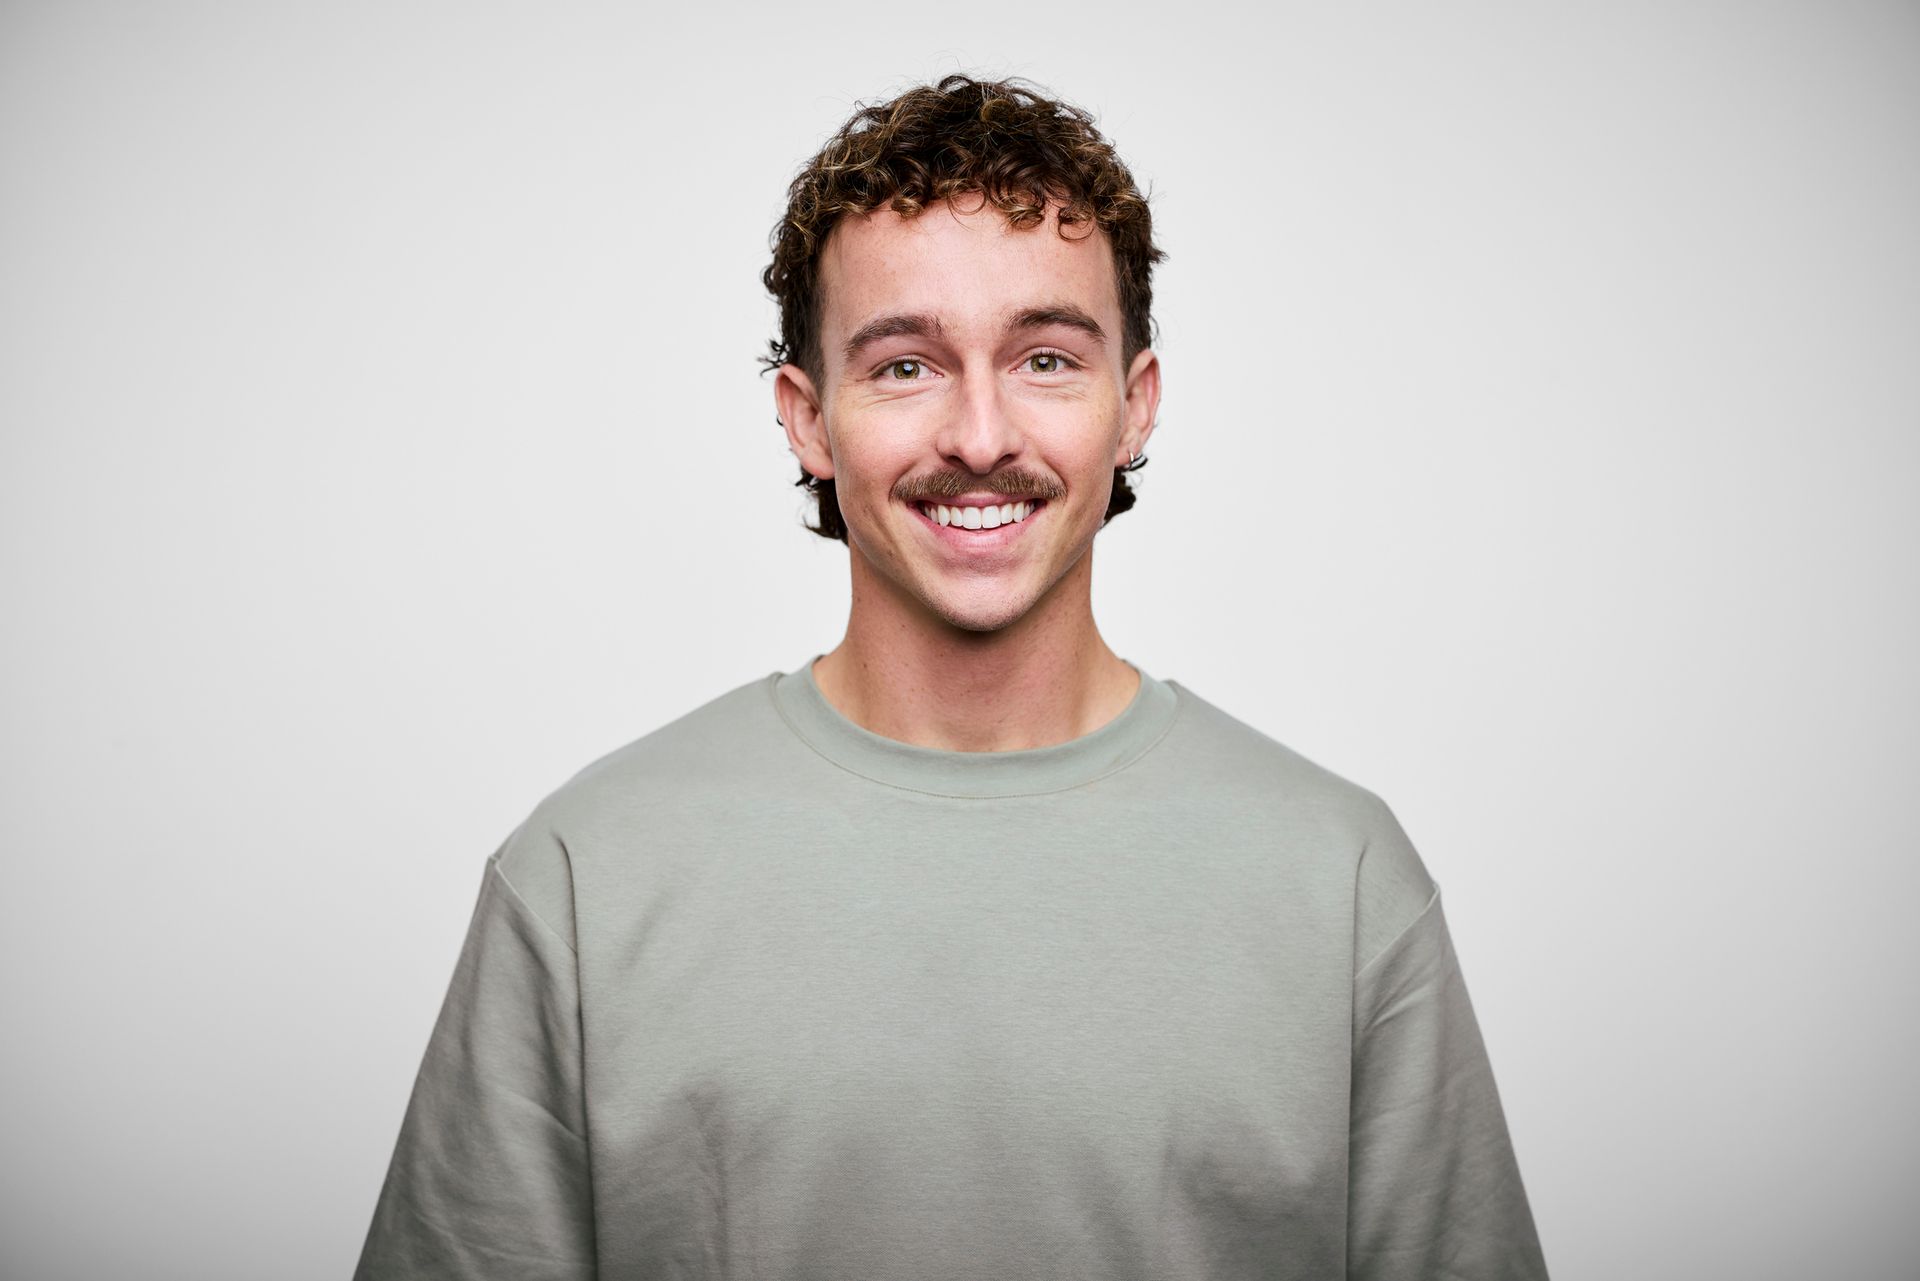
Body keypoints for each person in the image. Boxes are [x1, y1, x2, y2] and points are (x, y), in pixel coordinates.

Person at [353, 74, 1549, 1280]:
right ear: (808, 420)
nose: (980, 436)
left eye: (1044, 358)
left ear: (1132, 407)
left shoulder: (1341, 884)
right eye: (905, 367)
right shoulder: (583, 879)